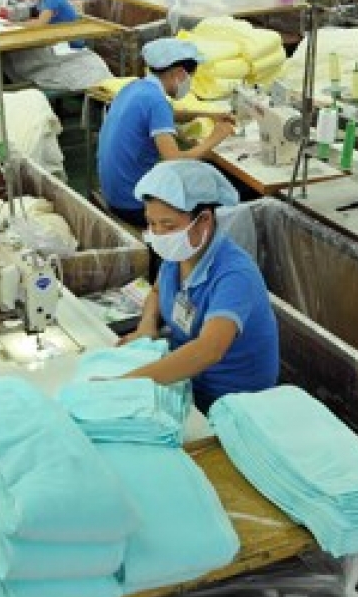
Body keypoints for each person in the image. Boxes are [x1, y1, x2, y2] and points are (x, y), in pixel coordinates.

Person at [119, 160, 279, 414]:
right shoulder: (178, 255)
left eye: (168, 226)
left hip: (231, 404)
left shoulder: (234, 275)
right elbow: (159, 291)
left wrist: (124, 384)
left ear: (203, 220)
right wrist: (146, 326)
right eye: (151, 223)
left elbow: (208, 350)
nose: (158, 234)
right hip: (190, 383)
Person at [96, 38, 234, 229]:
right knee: (217, 199)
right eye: (189, 77)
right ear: (178, 73)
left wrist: (207, 114)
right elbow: (174, 160)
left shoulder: (136, 88)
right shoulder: (156, 101)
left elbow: (167, 113)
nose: (189, 83)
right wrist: (214, 139)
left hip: (115, 193)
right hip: (134, 205)